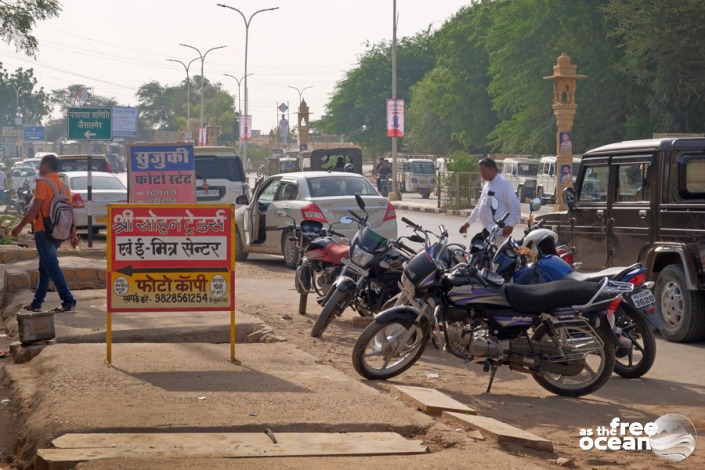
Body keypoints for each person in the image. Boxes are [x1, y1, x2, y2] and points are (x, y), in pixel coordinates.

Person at [11, 154, 79, 313]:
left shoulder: (42, 184)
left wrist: (20, 227)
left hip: (44, 231)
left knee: (52, 266)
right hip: (58, 233)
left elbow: (36, 207)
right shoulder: (64, 186)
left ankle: (68, 300)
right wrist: (72, 233)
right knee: (45, 268)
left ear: (47, 165)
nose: (39, 168)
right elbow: (69, 211)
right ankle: (36, 303)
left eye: (41, 164)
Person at [459, 157, 521, 244]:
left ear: (492, 169)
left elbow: (515, 205)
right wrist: (467, 224)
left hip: (500, 232)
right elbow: (480, 206)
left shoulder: (503, 184)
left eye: (484, 171)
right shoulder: (487, 184)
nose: (482, 174)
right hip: (489, 230)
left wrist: (510, 225)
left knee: (499, 256)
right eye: (481, 172)